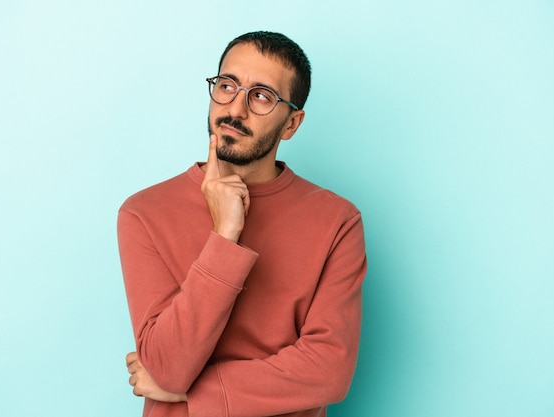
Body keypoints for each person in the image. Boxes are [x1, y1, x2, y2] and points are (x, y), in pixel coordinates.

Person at [117, 31, 367, 417]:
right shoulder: (143, 212)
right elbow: (167, 368)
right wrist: (225, 234)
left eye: (262, 96)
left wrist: (190, 394)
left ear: (291, 124)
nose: (236, 108)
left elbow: (328, 370)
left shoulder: (337, 220)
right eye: (227, 85)